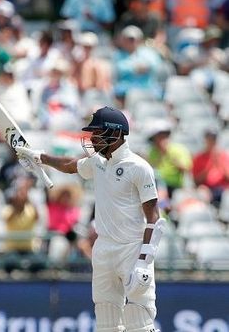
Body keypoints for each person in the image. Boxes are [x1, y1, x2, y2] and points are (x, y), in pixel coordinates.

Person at [16, 106, 165, 331]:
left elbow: (154, 217)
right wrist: (39, 158)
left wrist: (145, 260)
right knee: (106, 320)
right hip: (104, 248)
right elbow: (69, 165)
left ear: (115, 134)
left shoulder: (139, 167)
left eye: (98, 133)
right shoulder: (98, 163)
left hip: (132, 249)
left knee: (139, 321)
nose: (92, 139)